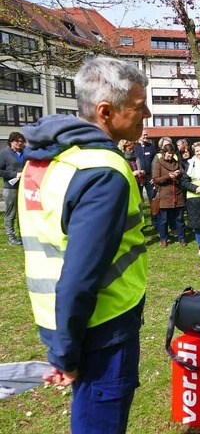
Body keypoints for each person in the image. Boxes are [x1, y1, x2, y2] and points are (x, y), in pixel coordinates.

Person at [17, 57, 150, 433]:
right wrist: (66, 352)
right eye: (139, 107)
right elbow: (80, 275)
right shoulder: (103, 171)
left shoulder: (45, 159)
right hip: (102, 326)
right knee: (99, 419)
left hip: (59, 319)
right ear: (106, 111)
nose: (148, 114)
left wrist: (61, 342)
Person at [152, 143, 187, 247]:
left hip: (178, 195)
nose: (170, 156)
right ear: (164, 153)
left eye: (172, 153)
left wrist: (179, 173)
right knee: (163, 220)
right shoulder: (159, 163)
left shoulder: (177, 163)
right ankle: (163, 239)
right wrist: (168, 176)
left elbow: (183, 172)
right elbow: (155, 179)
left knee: (179, 219)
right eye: (168, 153)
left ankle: (182, 238)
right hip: (164, 196)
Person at [0, 131, 26, 245]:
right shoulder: (4, 153)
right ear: (11, 142)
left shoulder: (26, 153)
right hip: (11, 187)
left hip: (24, 187)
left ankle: (24, 236)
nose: (20, 143)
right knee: (11, 213)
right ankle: (11, 238)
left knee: (23, 213)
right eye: (17, 141)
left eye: (22, 141)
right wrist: (14, 175)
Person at [133, 130, 156, 203]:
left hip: (149, 176)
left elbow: (155, 161)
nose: (146, 136)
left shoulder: (151, 147)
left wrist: (154, 175)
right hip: (138, 176)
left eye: (146, 135)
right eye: (144, 135)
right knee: (138, 198)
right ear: (139, 136)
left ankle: (154, 213)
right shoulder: (135, 146)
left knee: (153, 197)